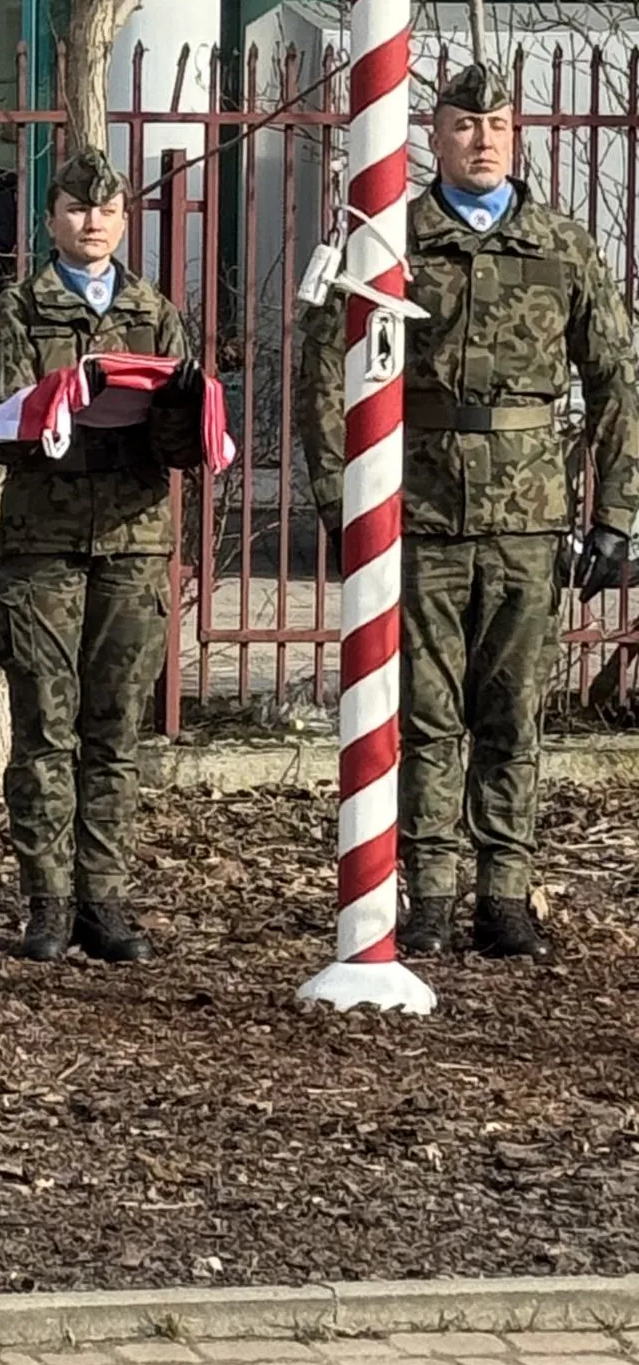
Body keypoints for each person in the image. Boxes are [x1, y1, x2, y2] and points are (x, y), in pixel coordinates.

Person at [297, 63, 639, 962]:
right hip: (425, 509)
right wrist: (338, 500)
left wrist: (619, 511)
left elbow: (615, 380)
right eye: (461, 124)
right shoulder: (394, 239)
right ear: (433, 135)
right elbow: (322, 371)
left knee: (515, 710)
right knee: (427, 710)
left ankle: (506, 892)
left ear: (515, 132)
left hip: (529, 514)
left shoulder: (561, 245)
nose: (480, 138)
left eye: (495, 123)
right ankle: (433, 891)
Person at [0, 148, 205, 964]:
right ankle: (47, 899)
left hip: (136, 542)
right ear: (51, 217)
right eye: (75, 208)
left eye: (105, 209)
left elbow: (186, 445)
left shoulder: (156, 314)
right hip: (44, 542)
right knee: (46, 725)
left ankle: (104, 900)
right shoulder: (16, 313)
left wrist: (180, 406)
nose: (92, 222)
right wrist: (57, 405)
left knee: (115, 729)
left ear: (123, 218)